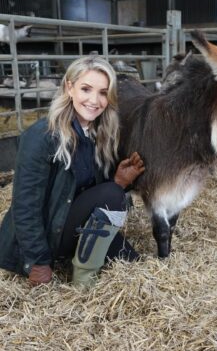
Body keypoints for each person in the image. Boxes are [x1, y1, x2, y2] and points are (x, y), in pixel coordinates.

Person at [0, 56, 145, 287]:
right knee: (112, 193)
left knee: (133, 263)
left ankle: (84, 258)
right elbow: (24, 205)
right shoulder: (42, 136)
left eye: (103, 92)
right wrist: (37, 262)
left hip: (72, 224)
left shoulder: (99, 132)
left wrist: (118, 180)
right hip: (48, 235)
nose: (94, 100)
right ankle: (83, 280)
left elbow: (87, 192)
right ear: (69, 87)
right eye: (86, 89)